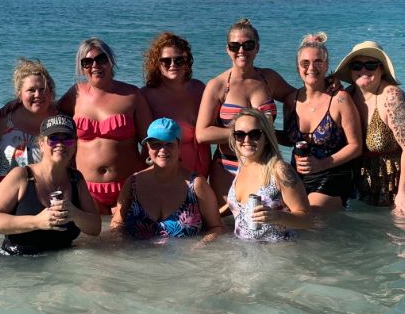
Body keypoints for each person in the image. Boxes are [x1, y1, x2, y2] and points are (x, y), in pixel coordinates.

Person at [196, 18, 294, 205]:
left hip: (266, 165)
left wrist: (329, 85)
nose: (241, 50)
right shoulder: (218, 85)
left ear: (257, 48)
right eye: (235, 46)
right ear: (227, 49)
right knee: (227, 221)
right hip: (228, 165)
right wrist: (250, 133)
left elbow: (296, 97)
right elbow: (202, 133)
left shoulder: (269, 78)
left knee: (265, 219)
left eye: (248, 45)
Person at [332, 41, 405, 216]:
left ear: (381, 69)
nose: (363, 70)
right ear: (351, 70)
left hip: (403, 177)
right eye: (357, 65)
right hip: (365, 180)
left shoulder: (392, 97)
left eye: (370, 65)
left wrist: (404, 192)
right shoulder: (346, 96)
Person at [0, 115, 101, 255]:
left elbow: (95, 228)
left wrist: (75, 214)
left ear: (74, 145)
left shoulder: (76, 179)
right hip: (16, 260)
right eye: (53, 138)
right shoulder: (21, 176)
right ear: (41, 144)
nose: (60, 144)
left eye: (67, 139)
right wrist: (37, 222)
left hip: (60, 261)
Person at [58, 38, 152, 213]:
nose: (95, 65)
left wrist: (149, 179)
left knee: (125, 231)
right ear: (82, 67)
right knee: (92, 232)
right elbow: (48, 116)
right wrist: (18, 105)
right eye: (87, 62)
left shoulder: (131, 95)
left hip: (128, 186)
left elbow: (150, 142)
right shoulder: (75, 94)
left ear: (111, 61)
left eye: (101, 59)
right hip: (86, 188)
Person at [283, 33, 362, 211]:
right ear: (297, 67)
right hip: (298, 177)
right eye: (305, 63)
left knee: (308, 215)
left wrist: (322, 163)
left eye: (318, 62)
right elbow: (289, 139)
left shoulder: (340, 99)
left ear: (326, 65)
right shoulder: (290, 101)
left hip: (332, 175)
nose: (311, 67)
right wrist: (262, 132)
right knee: (281, 212)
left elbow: (356, 146)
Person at [111, 118, 223, 240]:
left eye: (169, 144)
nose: (163, 150)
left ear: (179, 146)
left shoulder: (196, 185)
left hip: (186, 253)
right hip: (137, 252)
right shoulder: (133, 183)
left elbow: (216, 227)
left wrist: (200, 247)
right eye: (156, 144)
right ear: (148, 148)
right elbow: (117, 223)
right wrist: (121, 244)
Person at [226, 108, 311, 240]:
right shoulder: (242, 165)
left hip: (279, 251)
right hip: (243, 250)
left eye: (255, 134)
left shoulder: (280, 170)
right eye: (240, 134)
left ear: (266, 138)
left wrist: (278, 217)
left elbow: (307, 220)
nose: (246, 140)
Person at [0, 58, 59, 203]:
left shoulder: (60, 121)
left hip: (44, 198)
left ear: (51, 91)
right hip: (0, 197)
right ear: (19, 94)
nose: (38, 94)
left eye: (42, 89)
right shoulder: (4, 119)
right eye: (31, 90)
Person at [140, 32, 210, 177]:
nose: (173, 65)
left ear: (187, 62)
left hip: (199, 167)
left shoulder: (199, 89)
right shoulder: (146, 95)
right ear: (157, 64)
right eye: (166, 61)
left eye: (179, 60)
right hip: (163, 169)